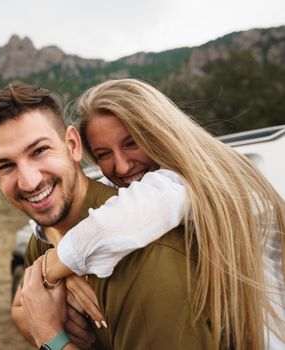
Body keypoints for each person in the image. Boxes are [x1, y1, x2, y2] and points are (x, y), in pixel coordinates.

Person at [37, 79, 285, 349]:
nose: (120, 165)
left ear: (159, 132)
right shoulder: (146, 182)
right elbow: (72, 205)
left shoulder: (197, 179)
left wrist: (51, 270)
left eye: (132, 143)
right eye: (104, 153)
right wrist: (62, 254)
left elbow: (113, 224)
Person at [0, 82, 213, 349]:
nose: (29, 182)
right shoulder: (41, 243)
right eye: (6, 166)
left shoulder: (145, 249)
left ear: (73, 145)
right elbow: (22, 308)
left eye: (39, 150)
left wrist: (51, 337)